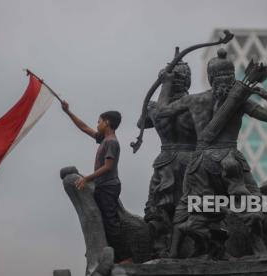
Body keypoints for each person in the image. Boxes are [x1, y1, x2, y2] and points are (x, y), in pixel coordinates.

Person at [157, 48, 267, 258]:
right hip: (230, 158)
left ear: (210, 78)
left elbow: (162, 111)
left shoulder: (195, 100)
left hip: (201, 163)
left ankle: (174, 254)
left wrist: (166, 83)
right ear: (232, 75)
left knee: (191, 206)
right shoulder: (240, 100)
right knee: (256, 201)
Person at [138, 53, 197, 257]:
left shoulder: (153, 107)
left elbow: (141, 124)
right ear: (187, 81)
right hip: (190, 161)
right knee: (193, 207)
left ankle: (162, 249)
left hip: (165, 162)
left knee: (159, 208)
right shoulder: (195, 104)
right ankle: (186, 250)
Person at [61, 101, 125, 261]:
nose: (97, 124)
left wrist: (86, 178)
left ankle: (125, 258)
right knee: (103, 221)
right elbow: (84, 128)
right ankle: (111, 256)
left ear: (107, 123)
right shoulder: (104, 139)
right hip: (102, 185)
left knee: (110, 222)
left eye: (99, 121)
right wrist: (68, 112)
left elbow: (108, 166)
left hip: (109, 186)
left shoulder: (111, 142)